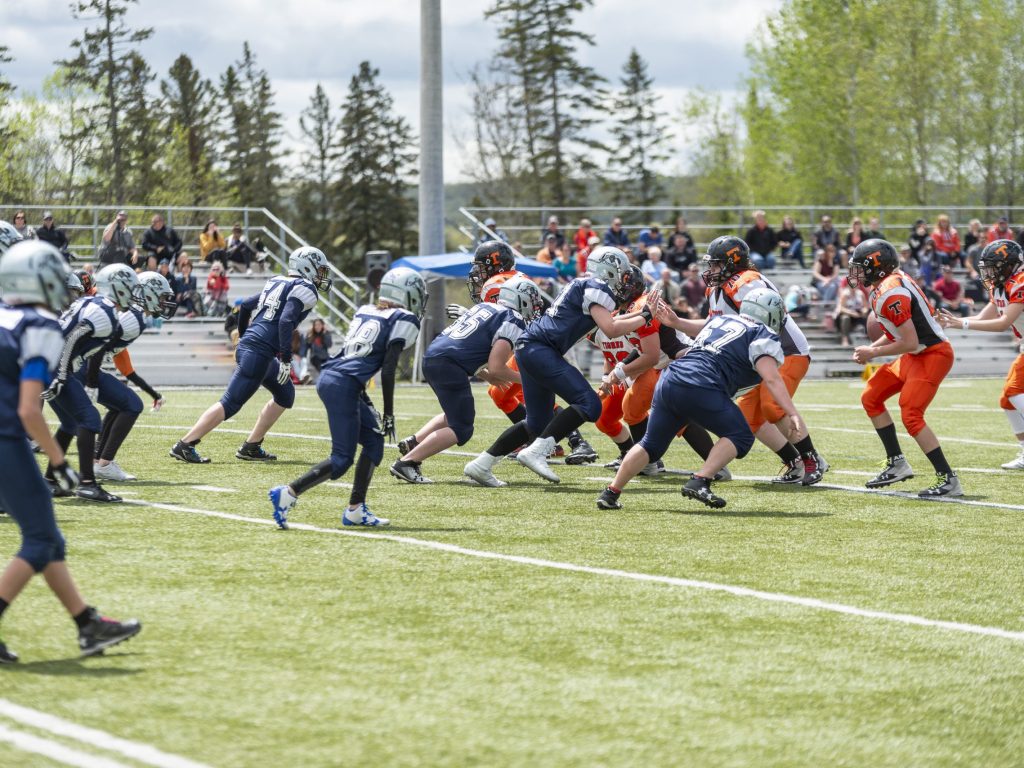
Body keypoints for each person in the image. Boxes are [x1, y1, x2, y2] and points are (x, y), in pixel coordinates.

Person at [0, 240, 141, 663]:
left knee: (49, 538)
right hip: (4, 436)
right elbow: (29, 408)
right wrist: (58, 463)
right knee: (41, 538)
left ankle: (86, 624)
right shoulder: (37, 324)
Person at [596, 289, 810, 510]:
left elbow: (700, 326)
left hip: (671, 378)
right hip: (702, 382)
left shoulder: (724, 320)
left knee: (650, 444)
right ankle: (701, 479)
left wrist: (676, 321)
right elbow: (773, 379)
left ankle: (611, 492)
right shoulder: (762, 334)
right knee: (741, 435)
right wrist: (792, 413)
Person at [463, 247, 652, 487]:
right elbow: (611, 328)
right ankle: (536, 452)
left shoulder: (583, 284)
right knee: (590, 404)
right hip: (541, 348)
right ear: (610, 269)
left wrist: (643, 314)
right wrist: (645, 317)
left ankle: (482, 464)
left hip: (529, 348)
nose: (623, 279)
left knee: (536, 422)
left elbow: (612, 322)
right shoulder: (596, 287)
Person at [660, 236, 826, 486]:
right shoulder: (717, 289)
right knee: (748, 420)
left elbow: (768, 321)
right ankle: (795, 462)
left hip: (784, 350)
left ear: (731, 263)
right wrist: (676, 323)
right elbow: (712, 326)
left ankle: (812, 458)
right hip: (756, 357)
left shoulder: (747, 283)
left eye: (715, 265)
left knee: (773, 407)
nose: (710, 270)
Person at [268, 267, 424, 528]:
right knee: (341, 459)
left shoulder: (366, 311)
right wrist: (388, 412)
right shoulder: (403, 318)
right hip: (343, 383)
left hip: (336, 377)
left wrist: (367, 401)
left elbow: (355, 357)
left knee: (374, 442)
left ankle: (355, 509)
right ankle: (288, 493)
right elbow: (387, 368)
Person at [170, 247, 332, 464]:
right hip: (259, 351)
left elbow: (245, 306)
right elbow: (285, 321)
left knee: (285, 394)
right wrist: (285, 358)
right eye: (319, 270)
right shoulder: (305, 288)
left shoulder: (277, 281)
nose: (322, 275)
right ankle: (185, 444)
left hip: (258, 349)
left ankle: (251, 446)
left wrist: (245, 338)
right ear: (307, 266)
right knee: (230, 403)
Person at [391, 277, 541, 484]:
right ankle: (407, 462)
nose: (534, 307)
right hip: (449, 364)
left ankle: (414, 442)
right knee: (462, 427)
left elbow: (467, 348)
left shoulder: (484, 307)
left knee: (455, 414)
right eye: (533, 301)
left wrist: (486, 375)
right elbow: (497, 366)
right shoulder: (513, 319)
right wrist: (529, 380)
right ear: (522, 299)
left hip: (434, 356)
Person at [848, 239, 961, 497]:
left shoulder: (890, 293)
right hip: (914, 354)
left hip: (932, 354)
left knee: (911, 414)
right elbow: (896, 333)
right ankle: (897, 462)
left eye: (861, 267)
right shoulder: (888, 283)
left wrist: (872, 352)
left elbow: (909, 341)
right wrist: (872, 347)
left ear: (877, 267)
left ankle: (948, 478)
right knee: (871, 397)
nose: (856, 273)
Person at [43, 264, 139, 503]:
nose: (133, 294)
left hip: (49, 361)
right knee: (89, 418)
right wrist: (62, 374)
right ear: (118, 288)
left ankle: (48, 481)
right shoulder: (103, 310)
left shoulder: (95, 305)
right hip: (54, 364)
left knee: (69, 423)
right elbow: (72, 337)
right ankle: (87, 484)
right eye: (130, 288)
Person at [937, 239, 1024, 469]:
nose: (989, 272)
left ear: (1009, 265)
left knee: (1015, 392)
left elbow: (1002, 323)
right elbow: (984, 317)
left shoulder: (1021, 282)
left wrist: (962, 325)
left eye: (994, 267)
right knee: (1007, 400)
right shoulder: (1003, 285)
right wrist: (956, 322)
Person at [89, 271, 176, 481]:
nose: (164, 303)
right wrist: (90, 382)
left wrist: (153, 394)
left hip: (81, 363)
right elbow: (98, 345)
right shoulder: (133, 319)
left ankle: (97, 461)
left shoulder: (133, 316)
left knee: (120, 404)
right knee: (132, 405)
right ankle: (103, 463)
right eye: (162, 297)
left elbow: (127, 369)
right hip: (81, 364)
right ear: (150, 294)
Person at [834, 281, 867, 347]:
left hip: (858, 314)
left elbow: (865, 307)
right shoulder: (845, 294)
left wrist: (864, 311)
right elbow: (841, 308)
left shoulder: (860, 294)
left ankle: (868, 337)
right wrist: (851, 313)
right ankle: (844, 339)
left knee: (869, 317)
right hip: (846, 314)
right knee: (845, 318)